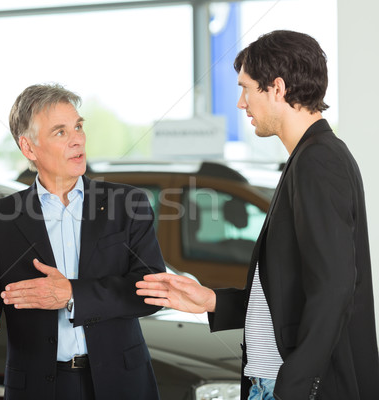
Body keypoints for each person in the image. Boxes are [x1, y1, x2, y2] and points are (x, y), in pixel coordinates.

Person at [136, 30, 379, 400]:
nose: (240, 103)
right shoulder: (308, 158)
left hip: (291, 387)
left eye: (246, 88)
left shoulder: (318, 160)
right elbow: (293, 292)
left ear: (277, 88)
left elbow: (335, 287)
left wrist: (294, 385)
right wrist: (212, 301)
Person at [0, 83, 165, 400]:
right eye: (60, 132)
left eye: (78, 126)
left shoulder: (128, 203)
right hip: (39, 389)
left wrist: (73, 294)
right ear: (29, 148)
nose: (77, 139)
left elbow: (152, 291)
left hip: (121, 384)